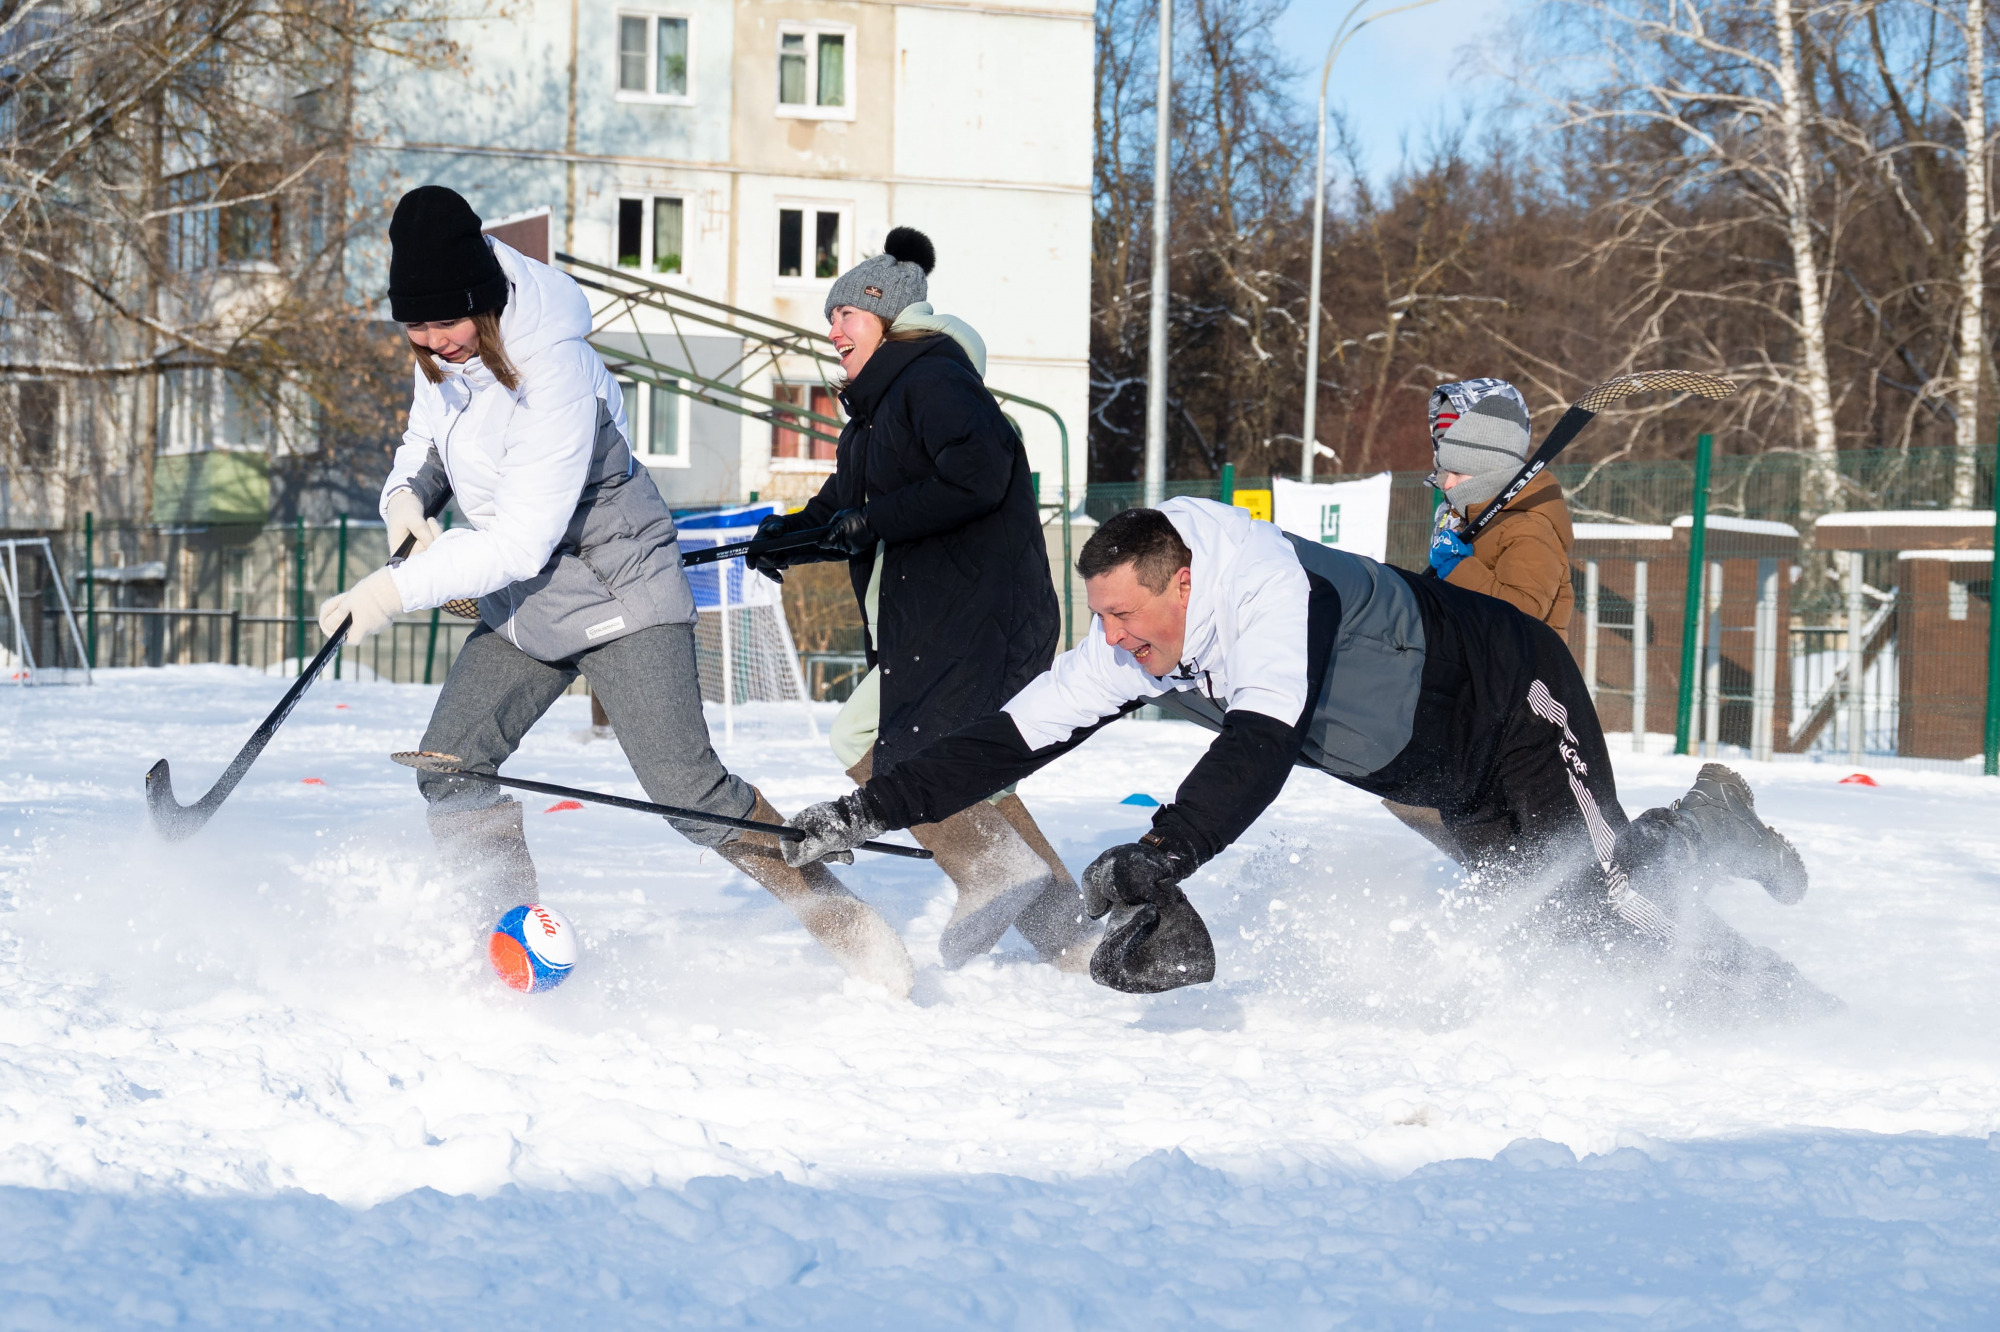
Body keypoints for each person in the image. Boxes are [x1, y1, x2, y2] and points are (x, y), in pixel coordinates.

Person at [777, 499, 1831, 1018]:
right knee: (1572, 924)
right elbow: (1008, 738)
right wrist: (860, 813)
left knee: (1618, 894)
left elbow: (1261, 746)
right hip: (1434, 772)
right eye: (1101, 620)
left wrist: (1163, 852)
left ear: (1180, 583)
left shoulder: (1268, 589)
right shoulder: (1138, 632)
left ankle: (1758, 950)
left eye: (1126, 618)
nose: (1115, 640)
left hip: (1514, 702)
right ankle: (1738, 996)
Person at [316, 185, 913, 995]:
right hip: (529, 603)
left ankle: (846, 925)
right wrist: (407, 496)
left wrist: (392, 590)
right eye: (414, 329)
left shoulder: (551, 367)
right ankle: (507, 939)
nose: (431, 344)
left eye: (444, 326)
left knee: (688, 794)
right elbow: (428, 433)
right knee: (450, 765)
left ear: (484, 306)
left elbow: (518, 538)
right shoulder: (445, 347)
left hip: (619, 590)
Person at [749, 227, 1093, 970]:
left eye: (847, 313)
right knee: (969, 773)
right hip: (945, 621)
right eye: (831, 316)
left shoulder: (933, 379)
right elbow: (841, 511)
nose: (832, 328)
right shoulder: (876, 414)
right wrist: (782, 540)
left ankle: (992, 871)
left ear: (889, 317)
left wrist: (870, 519)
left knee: (878, 746)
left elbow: (977, 475)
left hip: (975, 619)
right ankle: (1073, 937)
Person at [1394, 378, 1581, 856]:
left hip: (1528, 706)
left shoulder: (1528, 529)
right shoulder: (1473, 524)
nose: (1444, 483)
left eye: (1453, 471)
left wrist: (1460, 568)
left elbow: (1520, 617)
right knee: (1426, 797)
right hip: (1478, 699)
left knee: (1559, 841)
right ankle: (1509, 893)